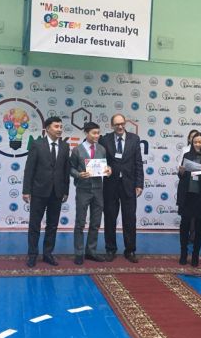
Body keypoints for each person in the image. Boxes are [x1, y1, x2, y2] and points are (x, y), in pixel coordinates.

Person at [22, 116, 70, 267]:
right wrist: (26, 190)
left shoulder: (65, 146)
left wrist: (66, 190)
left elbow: (66, 170)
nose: (59, 129)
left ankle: (48, 254)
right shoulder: (37, 144)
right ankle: (32, 255)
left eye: (61, 127)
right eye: (56, 126)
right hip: (39, 191)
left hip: (57, 192)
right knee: (34, 224)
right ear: (48, 128)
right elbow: (29, 169)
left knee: (52, 225)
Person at [99, 114, 144, 263]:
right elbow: (100, 160)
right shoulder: (104, 140)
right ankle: (110, 249)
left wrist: (139, 184)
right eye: (117, 124)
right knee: (110, 218)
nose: (120, 126)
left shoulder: (134, 139)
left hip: (129, 185)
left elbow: (138, 163)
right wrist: (104, 168)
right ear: (112, 125)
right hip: (110, 185)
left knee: (129, 219)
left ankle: (130, 250)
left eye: (122, 123)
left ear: (125, 123)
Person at [69, 122, 111, 265]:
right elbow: (71, 168)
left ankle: (91, 251)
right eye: (94, 133)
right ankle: (79, 253)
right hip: (83, 190)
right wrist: (78, 174)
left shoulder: (102, 149)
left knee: (95, 223)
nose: (97, 136)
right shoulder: (77, 150)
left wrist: (108, 169)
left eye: (98, 133)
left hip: (98, 190)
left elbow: (105, 166)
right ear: (86, 133)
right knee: (80, 223)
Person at [176, 132, 201, 267]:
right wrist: (181, 171)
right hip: (187, 196)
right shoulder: (187, 155)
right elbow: (181, 176)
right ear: (192, 143)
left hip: (200, 197)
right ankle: (183, 253)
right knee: (184, 225)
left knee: (199, 226)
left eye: (200, 142)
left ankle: (195, 255)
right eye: (195, 142)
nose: (198, 144)